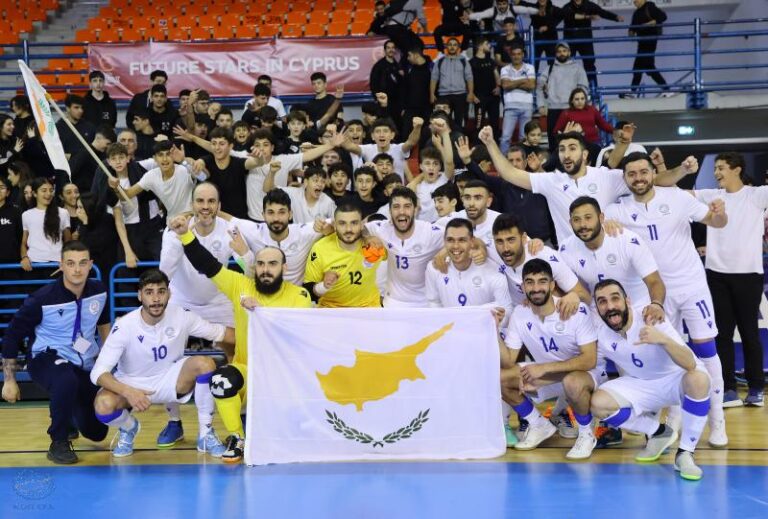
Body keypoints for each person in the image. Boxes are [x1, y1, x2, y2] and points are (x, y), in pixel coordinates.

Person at [605, 151, 728, 447]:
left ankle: (717, 422)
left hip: (690, 285)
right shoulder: (617, 210)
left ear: (652, 173)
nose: (638, 178)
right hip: (654, 294)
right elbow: (595, 226)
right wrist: (605, 223)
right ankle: (673, 419)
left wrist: (719, 213)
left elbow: (716, 222)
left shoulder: (676, 197)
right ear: (625, 179)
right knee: (668, 355)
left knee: (706, 351)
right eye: (632, 174)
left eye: (643, 172)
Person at [171, 214, 313, 463]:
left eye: (272, 264)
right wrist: (185, 235)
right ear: (254, 267)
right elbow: (208, 265)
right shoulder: (241, 285)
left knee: (294, 436)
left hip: (283, 376)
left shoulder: (299, 295)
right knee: (220, 381)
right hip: (247, 370)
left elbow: (293, 333)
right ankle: (237, 438)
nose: (266, 270)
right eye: (261, 264)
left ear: (284, 268)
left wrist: (262, 311)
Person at [90, 269, 232, 458]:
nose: (156, 298)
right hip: (133, 383)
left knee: (205, 364)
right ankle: (129, 427)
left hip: (169, 380)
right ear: (140, 295)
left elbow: (220, 332)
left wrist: (257, 337)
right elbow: (98, 373)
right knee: (103, 405)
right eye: (149, 292)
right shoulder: (124, 326)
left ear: (169, 294)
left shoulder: (182, 315)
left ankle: (206, 434)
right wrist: (128, 392)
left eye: (161, 291)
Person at [477, 126, 696, 245]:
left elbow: (654, 180)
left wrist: (682, 170)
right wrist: (490, 143)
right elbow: (510, 173)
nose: (566, 154)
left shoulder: (606, 176)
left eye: (572, 148)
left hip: (609, 257)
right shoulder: (551, 181)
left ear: (584, 154)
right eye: (562, 149)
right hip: (572, 264)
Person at [588, 279, 711, 480]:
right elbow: (595, 369)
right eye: (602, 301)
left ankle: (685, 454)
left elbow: (690, 363)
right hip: (640, 384)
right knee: (598, 403)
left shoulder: (651, 318)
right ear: (597, 308)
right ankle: (659, 432)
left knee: (699, 379)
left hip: (674, 380)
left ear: (627, 300)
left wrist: (662, 340)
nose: (610, 306)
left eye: (615, 298)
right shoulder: (600, 334)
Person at [2, 241, 111, 464]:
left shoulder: (99, 291)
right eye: (70, 263)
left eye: (82, 263)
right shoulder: (41, 299)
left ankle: (68, 413)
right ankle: (58, 442)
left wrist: (108, 362)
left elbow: (103, 325)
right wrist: (9, 380)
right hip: (45, 358)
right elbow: (12, 337)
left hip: (83, 361)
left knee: (97, 432)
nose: (77, 269)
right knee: (65, 379)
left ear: (90, 264)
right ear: (61, 265)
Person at [500, 258, 601, 454]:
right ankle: (538, 424)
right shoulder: (520, 313)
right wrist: (493, 329)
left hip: (584, 375)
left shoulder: (575, 310)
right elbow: (509, 361)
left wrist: (544, 369)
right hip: (548, 376)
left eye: (542, 281)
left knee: (572, 382)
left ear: (553, 285)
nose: (536, 288)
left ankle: (586, 434)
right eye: (530, 282)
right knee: (501, 378)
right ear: (523, 287)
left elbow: (590, 360)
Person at [694, 152, 768, 407]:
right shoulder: (711, 196)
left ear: (737, 170)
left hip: (749, 276)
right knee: (722, 334)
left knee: (749, 333)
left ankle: (756, 388)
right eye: (715, 168)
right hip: (717, 276)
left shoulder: (756, 195)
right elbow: (678, 195)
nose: (716, 172)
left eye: (722, 167)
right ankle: (728, 389)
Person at [560, 196, 665, 316]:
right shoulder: (565, 249)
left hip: (641, 310)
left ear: (601, 218)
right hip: (602, 314)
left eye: (588, 218)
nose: (583, 224)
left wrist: (656, 305)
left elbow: (654, 281)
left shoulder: (627, 240)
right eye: (576, 220)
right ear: (570, 223)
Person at [230, 188, 330, 286]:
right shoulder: (254, 231)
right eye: (270, 212)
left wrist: (329, 228)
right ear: (263, 215)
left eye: (281, 212)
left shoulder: (304, 233)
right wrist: (246, 255)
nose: (276, 218)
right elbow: (227, 219)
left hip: (295, 294)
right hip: (262, 293)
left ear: (290, 214)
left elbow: (336, 221)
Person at [364, 187, 444, 307]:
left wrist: (445, 251)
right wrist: (367, 238)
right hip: (392, 303)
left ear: (415, 210)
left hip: (424, 304)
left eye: (407, 206)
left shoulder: (429, 232)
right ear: (390, 211)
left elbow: (463, 237)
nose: (401, 211)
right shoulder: (382, 228)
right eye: (396, 207)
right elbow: (357, 230)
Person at [304, 202, 386, 308]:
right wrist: (323, 286)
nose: (348, 229)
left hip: (368, 308)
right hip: (331, 309)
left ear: (362, 225)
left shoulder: (375, 243)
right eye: (342, 223)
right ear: (334, 225)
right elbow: (307, 291)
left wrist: (368, 236)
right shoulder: (320, 248)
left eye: (354, 223)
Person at [425, 218, 512, 314]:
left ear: (472, 242)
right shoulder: (434, 268)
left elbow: (506, 308)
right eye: (450, 240)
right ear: (444, 241)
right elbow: (433, 302)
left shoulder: (493, 271)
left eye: (462, 240)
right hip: (449, 323)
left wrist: (501, 318)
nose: (455, 246)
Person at [108, 140, 197, 223]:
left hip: (192, 219)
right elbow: (127, 195)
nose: (165, 159)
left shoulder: (184, 169)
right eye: (160, 155)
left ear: (173, 156)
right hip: (172, 222)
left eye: (168, 154)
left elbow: (203, 176)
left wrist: (183, 161)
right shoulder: (151, 175)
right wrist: (116, 187)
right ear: (155, 158)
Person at [561, 0, 624, 85]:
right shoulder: (567, 7)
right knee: (566, 65)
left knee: (590, 65)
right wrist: (588, 17)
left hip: (586, 41)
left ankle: (593, 89)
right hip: (570, 41)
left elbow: (602, 12)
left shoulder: (589, 5)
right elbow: (569, 15)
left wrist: (615, 17)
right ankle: (566, 89)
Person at [536, 42, 589, 140]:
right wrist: (541, 105)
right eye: (559, 51)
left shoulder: (578, 68)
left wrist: (578, 104)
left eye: (564, 51)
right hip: (553, 110)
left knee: (573, 139)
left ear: (569, 52)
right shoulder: (549, 69)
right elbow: (539, 87)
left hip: (571, 108)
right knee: (553, 140)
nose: (562, 53)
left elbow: (583, 88)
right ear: (556, 54)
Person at [21, 178, 71, 269]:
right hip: (33, 264)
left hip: (57, 263)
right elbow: (24, 243)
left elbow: (68, 241)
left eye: (51, 190)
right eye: (44, 190)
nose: (48, 194)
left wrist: (66, 258)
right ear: (34, 193)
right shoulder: (26, 215)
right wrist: (24, 257)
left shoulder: (63, 213)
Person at [552, 88, 614, 162]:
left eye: (582, 98)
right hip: (576, 146)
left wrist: (616, 131)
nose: (580, 101)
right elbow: (556, 132)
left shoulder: (592, 110)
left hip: (594, 144)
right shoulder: (566, 113)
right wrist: (565, 135)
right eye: (577, 99)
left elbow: (603, 124)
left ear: (585, 99)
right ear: (572, 101)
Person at [430, 37, 475, 128]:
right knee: (444, 122)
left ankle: (458, 136)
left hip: (460, 95)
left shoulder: (463, 61)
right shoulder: (440, 61)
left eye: (455, 45)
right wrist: (431, 94)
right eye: (450, 45)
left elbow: (469, 78)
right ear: (446, 46)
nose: (452, 47)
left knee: (459, 121)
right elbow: (434, 78)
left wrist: (470, 93)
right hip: (444, 96)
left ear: (458, 47)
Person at [265, 166, 336, 224]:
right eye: (315, 180)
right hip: (298, 235)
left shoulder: (328, 202)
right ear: (306, 182)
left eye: (323, 182)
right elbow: (268, 189)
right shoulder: (294, 194)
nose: (320, 184)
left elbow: (336, 223)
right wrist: (272, 172)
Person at [628, 0, 670, 97]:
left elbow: (663, 16)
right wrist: (631, 32)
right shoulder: (636, 13)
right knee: (648, 67)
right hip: (641, 42)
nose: (634, 2)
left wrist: (651, 23)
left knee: (638, 67)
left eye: (636, 0)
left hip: (650, 40)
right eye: (633, 1)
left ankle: (633, 91)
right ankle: (666, 89)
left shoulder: (650, 7)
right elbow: (632, 27)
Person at [499, 45, 536, 155]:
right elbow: (505, 86)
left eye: (519, 54)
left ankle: (523, 160)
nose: (516, 56)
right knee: (505, 137)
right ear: (510, 55)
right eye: (514, 54)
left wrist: (513, 82)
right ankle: (503, 161)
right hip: (510, 107)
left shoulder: (530, 67)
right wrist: (523, 80)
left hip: (527, 107)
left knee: (523, 137)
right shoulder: (505, 69)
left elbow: (531, 86)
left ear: (523, 55)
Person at [470, 37, 501, 139]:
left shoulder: (491, 61)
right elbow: (468, 80)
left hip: (493, 97)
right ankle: (478, 145)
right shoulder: (471, 62)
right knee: (479, 124)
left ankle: (495, 144)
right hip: (479, 98)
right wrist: (472, 94)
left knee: (495, 124)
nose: (489, 46)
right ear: (480, 46)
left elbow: (497, 75)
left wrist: (498, 87)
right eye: (487, 44)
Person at [401, 43, 433, 139]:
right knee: (406, 134)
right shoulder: (409, 69)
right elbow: (404, 89)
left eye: (409, 55)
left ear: (416, 55)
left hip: (427, 108)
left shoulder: (431, 67)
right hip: (410, 108)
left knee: (426, 135)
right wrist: (403, 107)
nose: (408, 58)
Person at [370, 40, 403, 129]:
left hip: (397, 103)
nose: (391, 50)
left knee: (398, 127)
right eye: (388, 48)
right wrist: (378, 100)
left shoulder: (399, 66)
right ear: (385, 50)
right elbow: (373, 84)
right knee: (385, 126)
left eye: (393, 48)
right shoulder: (378, 66)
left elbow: (403, 86)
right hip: (384, 103)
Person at [56, 95, 96, 159]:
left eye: (82, 108)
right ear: (68, 108)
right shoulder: (58, 128)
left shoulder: (90, 127)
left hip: (87, 163)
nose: (80, 111)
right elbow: (57, 154)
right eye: (76, 107)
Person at [530, 0, 564, 65]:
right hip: (537, 39)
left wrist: (548, 27)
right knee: (534, 63)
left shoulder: (553, 9)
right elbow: (533, 22)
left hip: (551, 39)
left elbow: (564, 14)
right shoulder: (533, 8)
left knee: (551, 64)